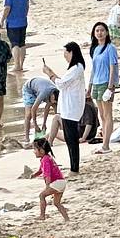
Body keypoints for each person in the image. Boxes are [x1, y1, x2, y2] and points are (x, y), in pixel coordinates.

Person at [41, 43, 86, 175]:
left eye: (65, 53)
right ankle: (74, 167)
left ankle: (74, 169)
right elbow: (63, 82)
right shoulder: (75, 69)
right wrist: (52, 73)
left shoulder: (76, 68)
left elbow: (61, 84)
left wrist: (49, 74)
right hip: (69, 108)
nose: (64, 56)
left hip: (71, 109)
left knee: (71, 140)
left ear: (71, 52)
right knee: (70, 139)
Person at [89, 21, 120, 152]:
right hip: (96, 83)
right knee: (101, 115)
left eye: (102, 30)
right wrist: (89, 86)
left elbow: (113, 67)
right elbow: (93, 69)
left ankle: (106, 145)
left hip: (105, 83)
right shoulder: (95, 49)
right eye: (97, 31)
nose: (99, 33)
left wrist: (110, 86)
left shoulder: (110, 48)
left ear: (106, 32)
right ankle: (104, 143)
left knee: (108, 115)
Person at [32, 138, 69, 221]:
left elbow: (47, 174)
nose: (34, 151)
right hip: (61, 182)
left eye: (35, 149)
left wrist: (47, 186)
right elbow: (40, 171)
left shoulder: (45, 159)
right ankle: (67, 219)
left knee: (42, 195)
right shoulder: (47, 158)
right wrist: (34, 175)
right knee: (57, 203)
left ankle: (42, 216)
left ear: (41, 150)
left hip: (56, 183)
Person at [1, 0, 30, 71]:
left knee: (14, 44)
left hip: (13, 23)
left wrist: (2, 20)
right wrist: (24, 15)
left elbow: (7, 8)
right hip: (23, 21)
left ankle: (17, 65)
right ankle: (21, 65)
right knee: (22, 43)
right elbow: (27, 6)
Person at [20, 75, 57, 143]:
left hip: (41, 87)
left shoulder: (56, 91)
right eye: (53, 100)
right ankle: (26, 138)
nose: (53, 102)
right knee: (28, 115)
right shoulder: (44, 93)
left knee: (55, 107)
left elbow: (47, 108)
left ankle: (59, 131)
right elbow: (33, 109)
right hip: (29, 89)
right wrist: (35, 125)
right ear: (52, 96)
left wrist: (44, 124)